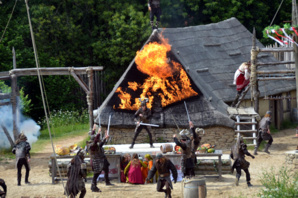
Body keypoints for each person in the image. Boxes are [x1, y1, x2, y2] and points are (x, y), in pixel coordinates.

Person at [88, 125, 113, 193]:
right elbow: (96, 140)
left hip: (100, 160)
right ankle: (93, 186)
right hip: (96, 161)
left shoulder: (95, 145)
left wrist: (105, 138)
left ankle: (97, 185)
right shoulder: (92, 146)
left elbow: (100, 143)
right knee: (96, 173)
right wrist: (98, 133)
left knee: (102, 170)